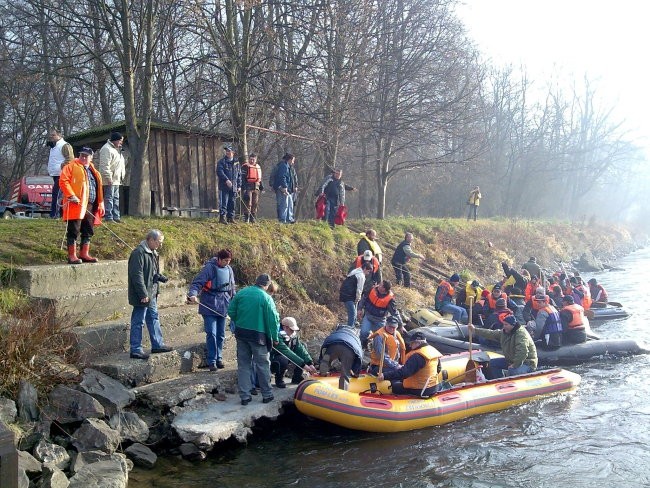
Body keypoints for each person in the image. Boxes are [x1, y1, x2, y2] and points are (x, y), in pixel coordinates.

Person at [227, 273, 280, 405]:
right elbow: (274, 320)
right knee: (262, 365)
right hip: (259, 336)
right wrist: (275, 337)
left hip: (241, 334)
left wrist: (239, 320)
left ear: (256, 281)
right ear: (267, 285)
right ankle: (267, 394)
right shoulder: (266, 298)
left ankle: (245, 396)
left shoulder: (242, 292)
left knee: (243, 365)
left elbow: (231, 311)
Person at [186, 249, 236, 372]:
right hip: (209, 302)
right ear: (219, 259)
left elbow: (232, 288)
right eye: (225, 260)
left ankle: (219, 358)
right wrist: (193, 294)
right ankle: (211, 361)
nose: (227, 263)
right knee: (211, 333)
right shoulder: (209, 268)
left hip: (224, 303)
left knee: (221, 334)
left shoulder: (229, 269)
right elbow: (197, 283)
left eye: (229, 261)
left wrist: (234, 302)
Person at [127, 229, 173, 359]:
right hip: (142, 294)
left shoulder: (152, 252)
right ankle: (135, 349)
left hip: (151, 293)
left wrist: (159, 277)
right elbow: (137, 276)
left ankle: (157, 344)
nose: (160, 245)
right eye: (159, 242)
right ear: (151, 240)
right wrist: (143, 294)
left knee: (154, 318)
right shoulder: (138, 253)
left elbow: (151, 273)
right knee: (138, 321)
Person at [58, 147, 105, 264]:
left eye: (86, 156)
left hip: (91, 204)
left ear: (91, 157)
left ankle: (84, 254)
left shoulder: (94, 171)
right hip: (76, 203)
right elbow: (63, 181)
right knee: (74, 229)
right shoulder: (70, 166)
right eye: (82, 155)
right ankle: (72, 255)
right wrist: (71, 195)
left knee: (88, 229)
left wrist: (101, 203)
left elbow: (98, 188)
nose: (83, 157)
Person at [468, 315, 538, 377]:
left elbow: (523, 351)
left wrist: (515, 365)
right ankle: (499, 380)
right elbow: (490, 333)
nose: (504, 326)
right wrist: (475, 330)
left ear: (512, 325)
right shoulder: (504, 332)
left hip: (527, 363)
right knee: (493, 363)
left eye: (506, 325)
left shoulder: (521, 335)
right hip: (511, 360)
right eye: (503, 324)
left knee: (513, 370)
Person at [377, 331, 443, 396]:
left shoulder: (417, 356)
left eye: (412, 343)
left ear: (418, 343)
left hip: (420, 390)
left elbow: (404, 373)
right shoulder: (432, 350)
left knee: (394, 385)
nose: (410, 346)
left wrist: (385, 376)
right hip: (433, 387)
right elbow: (438, 369)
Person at [270, 317, 317, 387]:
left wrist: (309, 363)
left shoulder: (293, 335)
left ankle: (297, 377)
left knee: (303, 346)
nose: (293, 332)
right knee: (283, 359)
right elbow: (287, 352)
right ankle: (279, 380)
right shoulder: (277, 336)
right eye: (291, 329)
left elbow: (301, 349)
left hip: (287, 357)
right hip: (274, 360)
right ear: (285, 327)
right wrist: (303, 365)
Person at [319, 324, 364, 391]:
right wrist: (355, 373)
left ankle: (322, 375)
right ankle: (342, 392)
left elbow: (327, 341)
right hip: (349, 349)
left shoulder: (337, 332)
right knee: (344, 375)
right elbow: (359, 356)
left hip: (333, 344)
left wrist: (321, 360)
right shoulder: (356, 339)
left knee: (326, 361)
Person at [358, 280, 401, 349]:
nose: (378, 285)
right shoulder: (372, 289)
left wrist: (401, 325)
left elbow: (394, 312)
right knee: (364, 332)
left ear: (384, 289)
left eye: (380, 284)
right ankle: (362, 345)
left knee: (380, 337)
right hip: (368, 316)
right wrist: (359, 309)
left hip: (380, 320)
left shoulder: (390, 299)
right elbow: (363, 299)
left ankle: (376, 350)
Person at [98, 132, 126, 223]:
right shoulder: (106, 149)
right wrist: (108, 177)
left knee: (116, 198)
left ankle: (116, 216)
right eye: (120, 141)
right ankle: (109, 217)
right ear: (116, 140)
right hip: (110, 179)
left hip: (116, 179)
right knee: (109, 198)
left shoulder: (117, 149)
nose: (121, 143)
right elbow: (104, 165)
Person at [339, 261, 373, 327]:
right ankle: (350, 328)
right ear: (365, 268)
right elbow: (359, 290)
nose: (368, 274)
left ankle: (354, 323)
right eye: (368, 271)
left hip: (344, 292)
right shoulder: (361, 276)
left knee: (353, 311)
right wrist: (358, 299)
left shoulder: (355, 271)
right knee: (352, 313)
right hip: (349, 295)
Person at [46, 128, 69, 219]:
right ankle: (58, 214)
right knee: (57, 194)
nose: (51, 137)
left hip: (62, 174)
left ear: (59, 135)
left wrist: (61, 167)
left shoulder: (64, 145)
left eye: (53, 135)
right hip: (55, 174)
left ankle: (55, 214)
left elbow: (69, 159)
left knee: (57, 193)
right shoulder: (54, 147)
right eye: (51, 135)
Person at [216, 145, 241, 224]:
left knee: (232, 202)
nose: (228, 152)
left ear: (233, 152)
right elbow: (220, 172)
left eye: (229, 151)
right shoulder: (221, 162)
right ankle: (222, 218)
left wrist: (239, 185)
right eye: (227, 151)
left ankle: (231, 217)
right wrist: (226, 180)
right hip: (224, 186)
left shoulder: (237, 163)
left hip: (234, 186)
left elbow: (239, 175)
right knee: (224, 202)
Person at [274, 153, 297, 223]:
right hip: (283, 188)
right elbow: (282, 177)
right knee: (284, 204)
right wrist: (285, 187)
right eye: (293, 160)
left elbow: (292, 178)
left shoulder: (289, 167)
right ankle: (283, 220)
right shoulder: (283, 166)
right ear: (289, 160)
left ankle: (289, 219)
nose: (293, 162)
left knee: (290, 204)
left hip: (289, 189)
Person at [240, 153, 263, 223]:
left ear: (256, 160)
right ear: (249, 159)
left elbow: (260, 178)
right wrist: (244, 188)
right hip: (248, 187)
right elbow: (242, 178)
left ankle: (253, 218)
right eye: (251, 159)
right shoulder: (245, 167)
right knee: (248, 203)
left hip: (256, 187)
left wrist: (261, 186)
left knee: (255, 203)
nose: (252, 161)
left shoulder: (258, 167)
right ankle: (246, 217)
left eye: (253, 159)